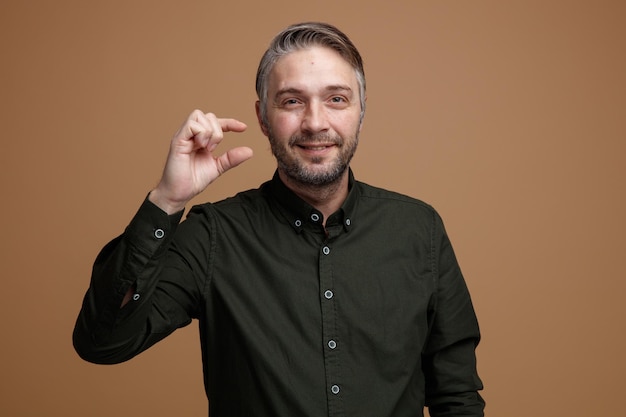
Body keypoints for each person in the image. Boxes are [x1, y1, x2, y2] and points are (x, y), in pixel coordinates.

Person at [73, 21, 485, 417]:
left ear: (361, 110)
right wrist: (166, 200)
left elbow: (457, 397)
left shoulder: (419, 230)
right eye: (292, 101)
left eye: (336, 99)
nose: (316, 122)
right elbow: (102, 342)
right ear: (262, 117)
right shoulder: (214, 234)